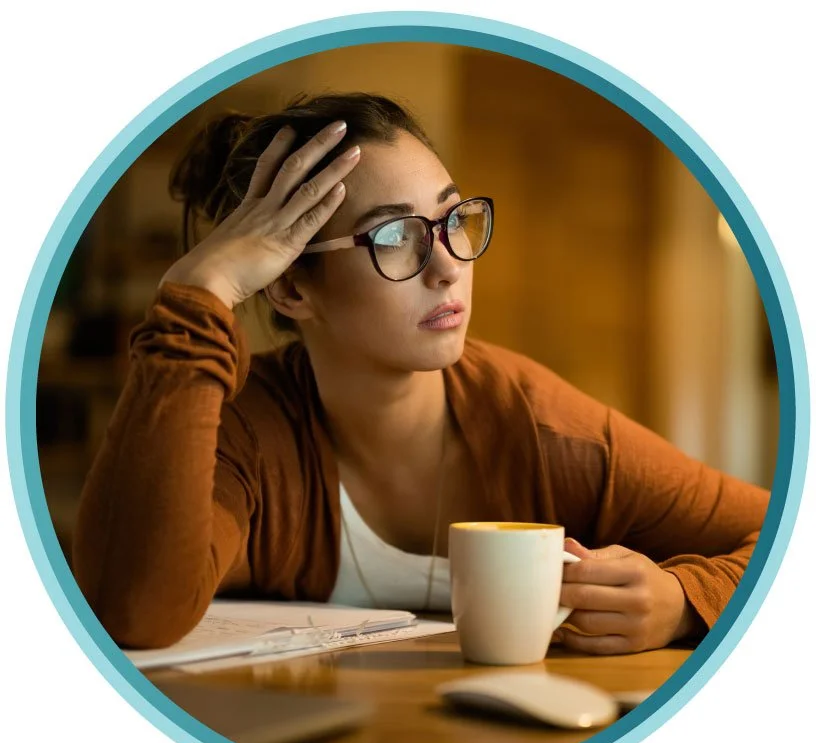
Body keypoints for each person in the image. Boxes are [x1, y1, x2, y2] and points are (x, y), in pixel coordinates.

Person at [71, 92, 769, 654]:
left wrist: (686, 602)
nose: (448, 266)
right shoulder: (247, 430)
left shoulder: (545, 429)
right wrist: (198, 291)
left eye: (452, 219)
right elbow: (132, 611)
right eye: (394, 235)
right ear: (290, 288)